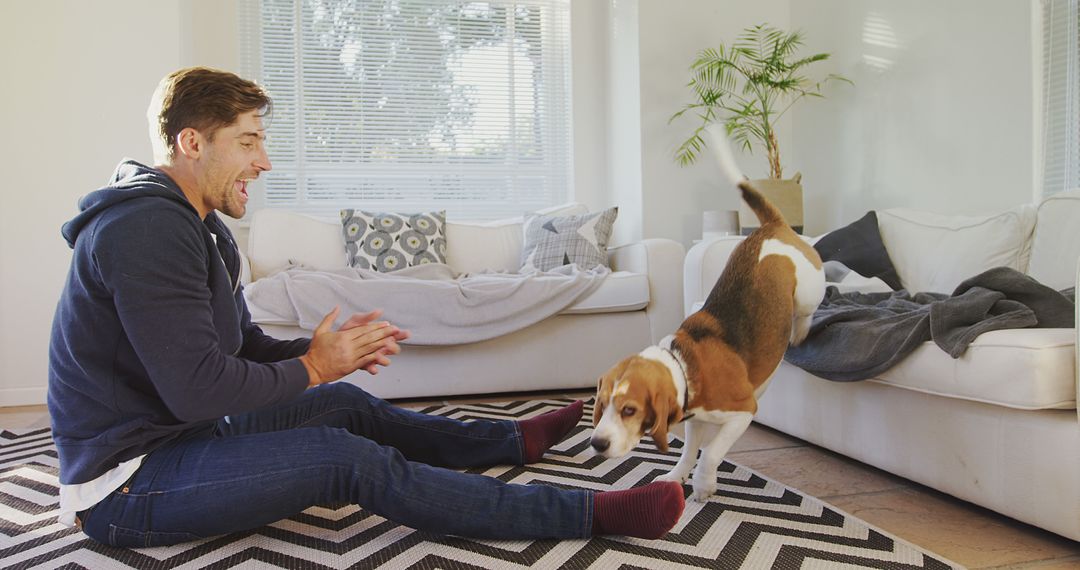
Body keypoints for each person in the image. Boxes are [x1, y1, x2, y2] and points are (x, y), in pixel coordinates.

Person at [47, 67, 685, 548]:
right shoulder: (145, 230)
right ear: (192, 142)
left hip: (187, 435)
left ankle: (511, 438)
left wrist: (325, 357)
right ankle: (586, 513)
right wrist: (316, 366)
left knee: (344, 403)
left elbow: (239, 349)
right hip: (126, 484)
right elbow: (196, 389)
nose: (263, 161)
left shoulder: (199, 225)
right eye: (247, 143)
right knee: (344, 459)